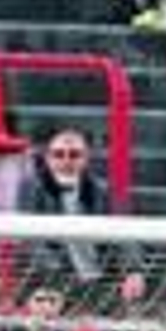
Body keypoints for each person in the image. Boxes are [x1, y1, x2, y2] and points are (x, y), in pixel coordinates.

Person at [15, 126, 148, 316]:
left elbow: (124, 232)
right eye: (59, 155)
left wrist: (134, 271)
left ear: (86, 159)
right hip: (52, 281)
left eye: (74, 155)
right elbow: (29, 241)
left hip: (101, 280)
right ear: (47, 159)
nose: (66, 161)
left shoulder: (100, 190)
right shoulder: (32, 188)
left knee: (137, 318)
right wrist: (60, 277)